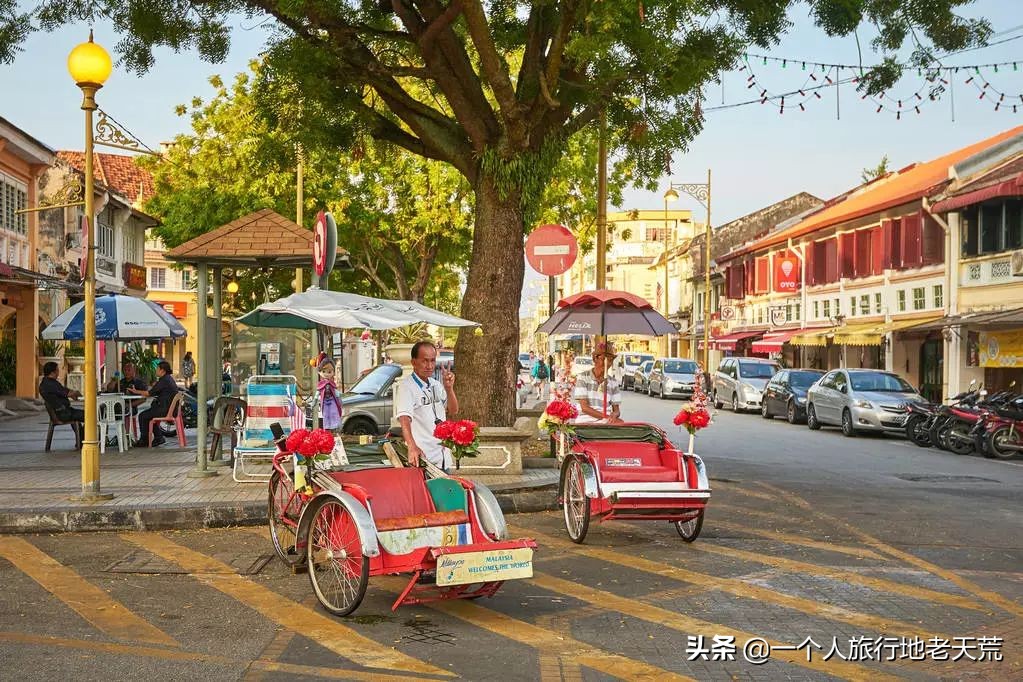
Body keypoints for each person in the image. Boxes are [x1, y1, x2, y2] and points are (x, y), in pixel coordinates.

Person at [396, 340, 459, 470]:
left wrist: (449, 389)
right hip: (424, 459)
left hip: (443, 457)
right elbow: (404, 418)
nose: (429, 366)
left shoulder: (436, 384)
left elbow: (453, 410)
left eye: (432, 360)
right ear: (414, 362)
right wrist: (412, 447)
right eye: (425, 361)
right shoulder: (407, 387)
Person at [129, 361, 179, 447]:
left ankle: (144, 440)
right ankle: (158, 437)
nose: (156, 371)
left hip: (165, 409)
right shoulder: (168, 379)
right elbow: (156, 391)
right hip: (169, 408)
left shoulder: (164, 380)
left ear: (162, 370)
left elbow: (149, 393)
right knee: (149, 415)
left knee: (143, 416)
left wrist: (135, 391)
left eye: (157, 369)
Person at [573, 341, 623, 424]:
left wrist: (614, 415)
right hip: (585, 420)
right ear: (595, 359)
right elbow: (584, 408)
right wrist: (605, 417)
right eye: (604, 359)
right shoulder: (583, 377)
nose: (607, 363)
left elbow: (617, 411)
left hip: (606, 422)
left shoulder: (613, 382)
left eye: (610, 361)